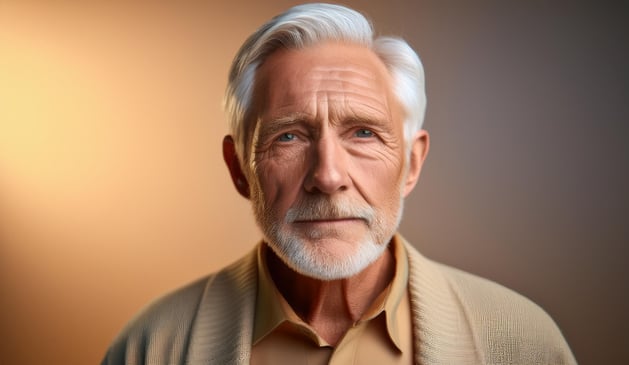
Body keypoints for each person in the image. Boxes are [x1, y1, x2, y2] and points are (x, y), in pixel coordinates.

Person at [102, 3, 576, 364]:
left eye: (363, 133)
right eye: (288, 135)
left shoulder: (523, 343)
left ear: (411, 164)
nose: (328, 177)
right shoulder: (152, 347)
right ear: (239, 169)